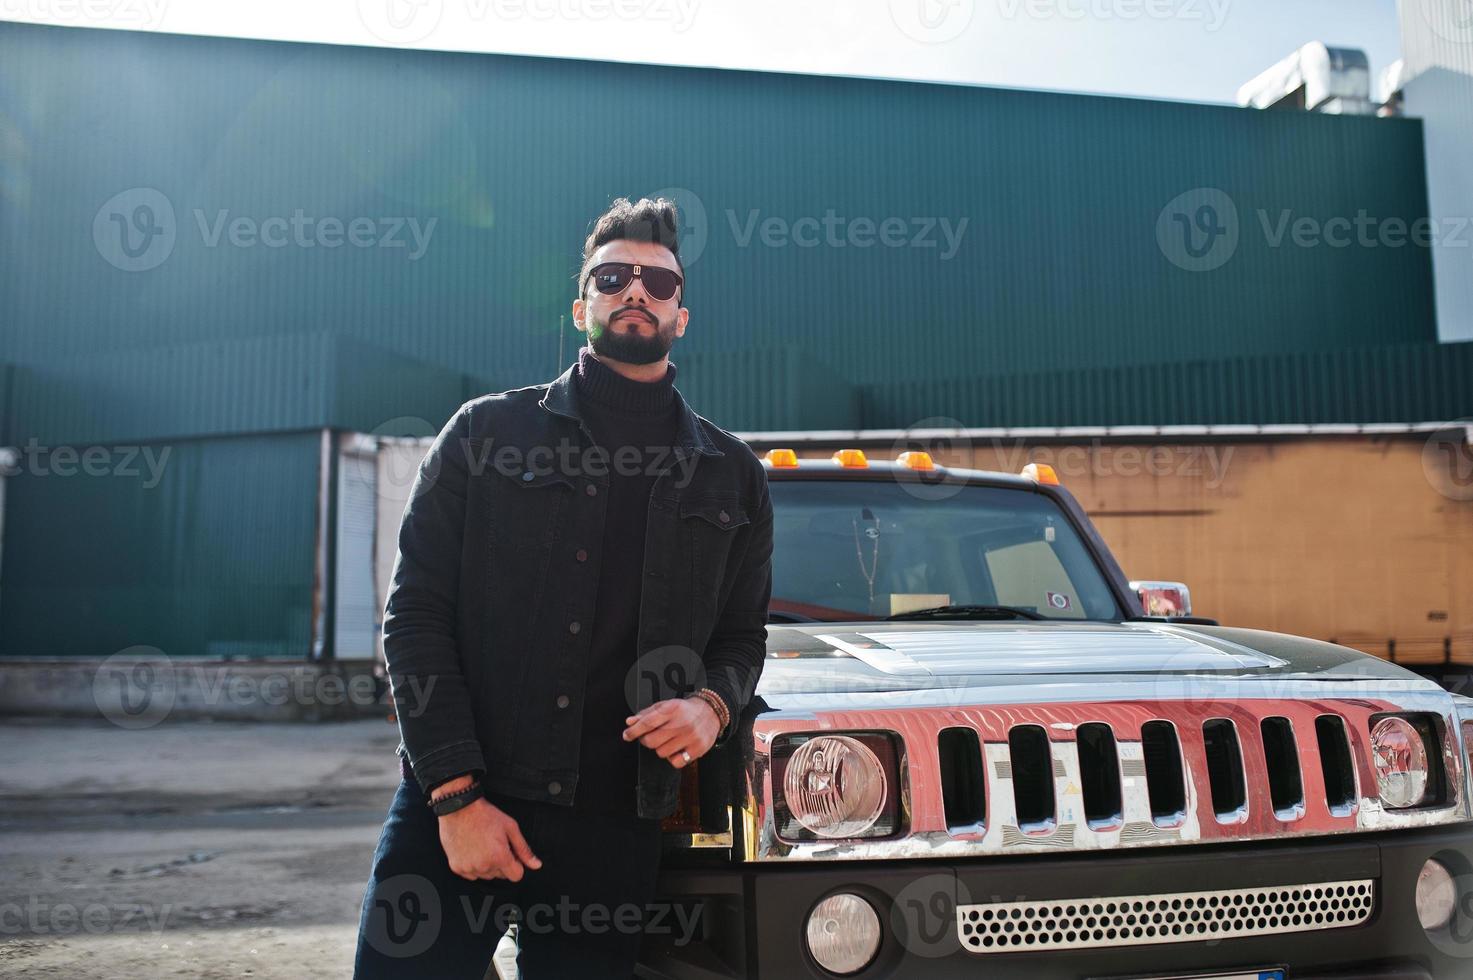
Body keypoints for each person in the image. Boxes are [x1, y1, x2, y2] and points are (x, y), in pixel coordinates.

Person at [354, 196, 773, 978]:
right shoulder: (484, 436)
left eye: (658, 281)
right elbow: (413, 619)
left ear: (682, 315)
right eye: (612, 276)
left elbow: (742, 639)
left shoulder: (733, 475)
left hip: (613, 825)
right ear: (581, 305)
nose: (636, 291)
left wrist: (710, 706)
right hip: (463, 801)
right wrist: (454, 799)